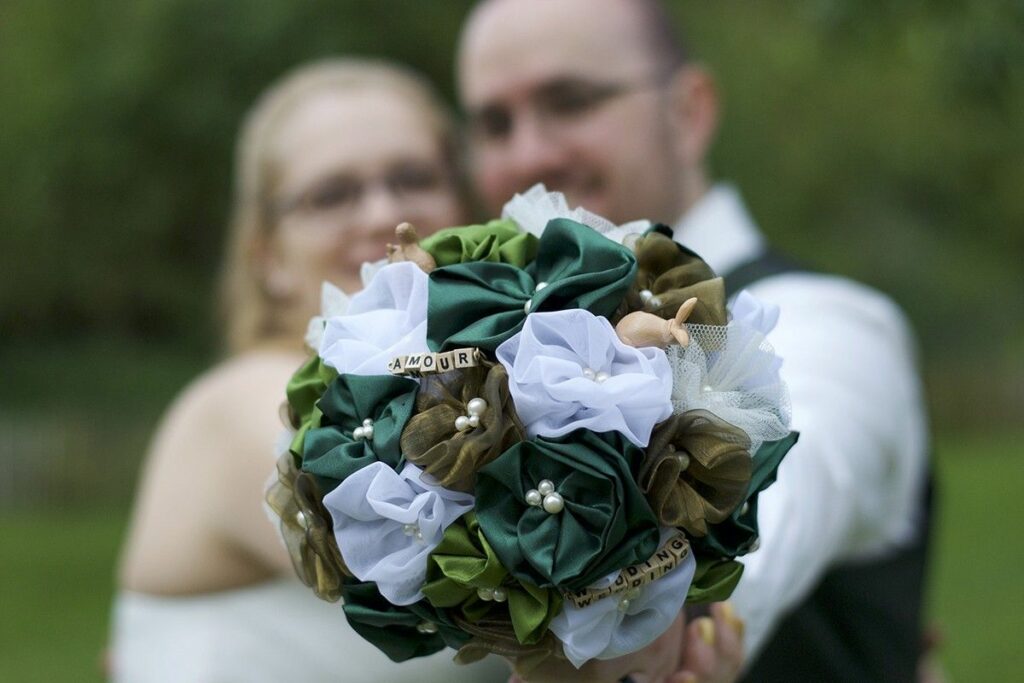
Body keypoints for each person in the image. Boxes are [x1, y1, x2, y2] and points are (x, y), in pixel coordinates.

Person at [456, 1, 931, 681]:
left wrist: (663, 616)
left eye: (571, 101)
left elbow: (800, 481)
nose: (529, 154)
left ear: (688, 112)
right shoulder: (475, 352)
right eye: (495, 124)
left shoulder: (831, 322)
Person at [111, 58, 507, 682]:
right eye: (331, 194)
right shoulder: (242, 403)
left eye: (414, 177)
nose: (382, 213)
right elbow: (495, 557)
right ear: (267, 257)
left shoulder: (483, 380)